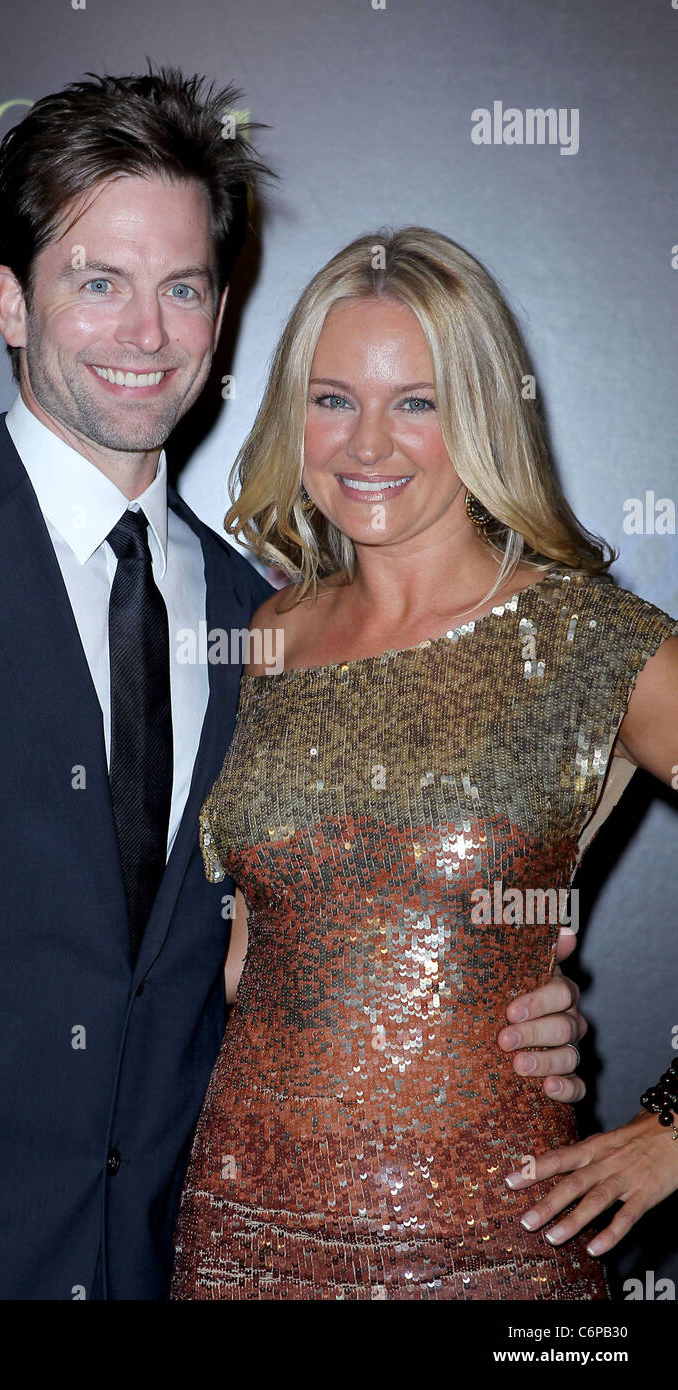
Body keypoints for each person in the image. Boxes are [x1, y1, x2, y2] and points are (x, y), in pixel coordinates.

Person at [0, 72, 585, 1301]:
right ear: (10, 301)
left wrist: (494, 1003)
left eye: (181, 289)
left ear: (220, 316)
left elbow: (280, 955)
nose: (145, 334)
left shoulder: (258, 619)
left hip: (162, 1271)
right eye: (96, 282)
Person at [170, 226, 678, 1300]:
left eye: (417, 401)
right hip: (240, 1245)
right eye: (331, 397)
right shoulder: (262, 634)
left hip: (494, 1254)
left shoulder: (591, 642)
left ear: (484, 412)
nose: (367, 443)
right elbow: (241, 963)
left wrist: (676, 1122)